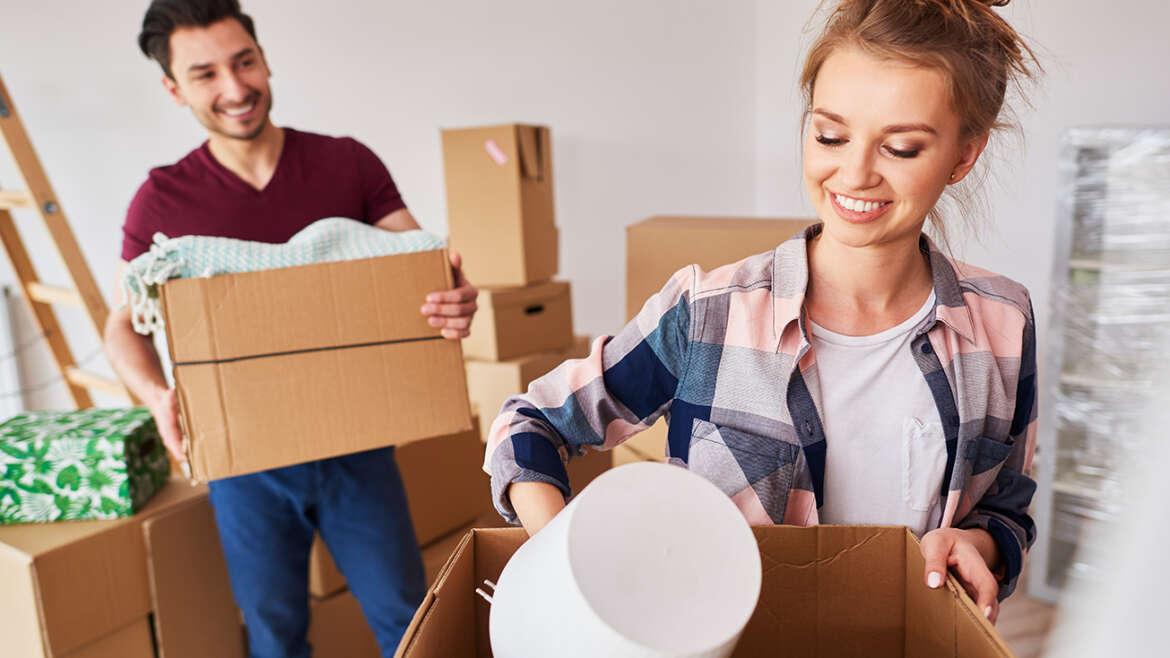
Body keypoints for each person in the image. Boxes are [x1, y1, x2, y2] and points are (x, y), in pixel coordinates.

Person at [485, 0, 1039, 625]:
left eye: (902, 148)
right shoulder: (709, 315)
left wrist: (980, 543)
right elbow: (530, 423)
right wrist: (563, 564)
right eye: (830, 135)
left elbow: (1008, 508)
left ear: (964, 156)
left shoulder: (1004, 323)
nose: (854, 173)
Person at [102, 1, 478, 655]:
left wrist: (453, 297)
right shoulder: (163, 201)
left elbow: (419, 268)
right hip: (245, 463)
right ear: (173, 88)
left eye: (244, 61)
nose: (235, 88)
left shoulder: (346, 166)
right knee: (275, 633)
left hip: (356, 448)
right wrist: (157, 397)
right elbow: (121, 325)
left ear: (265, 57)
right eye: (205, 74)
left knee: (408, 616)